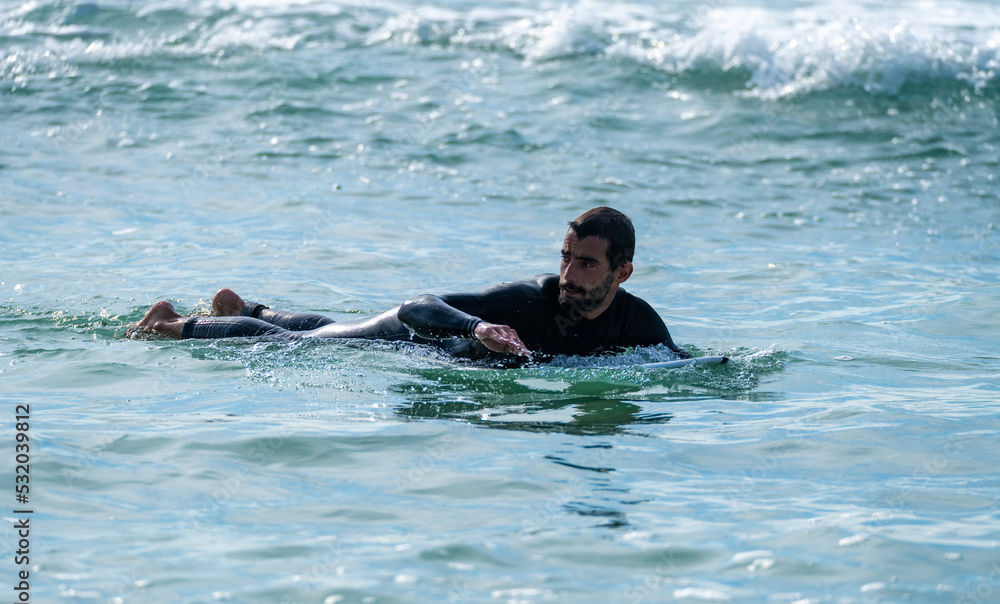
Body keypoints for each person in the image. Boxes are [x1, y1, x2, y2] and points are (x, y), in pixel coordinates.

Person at [135, 207, 689, 363]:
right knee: (298, 345)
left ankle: (248, 307)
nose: (568, 276)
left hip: (434, 347)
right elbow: (416, 305)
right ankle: (172, 323)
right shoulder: (529, 299)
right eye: (566, 258)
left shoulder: (637, 319)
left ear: (622, 272)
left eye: (586, 265)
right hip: (407, 335)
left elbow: (682, 364)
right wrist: (479, 328)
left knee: (331, 326)